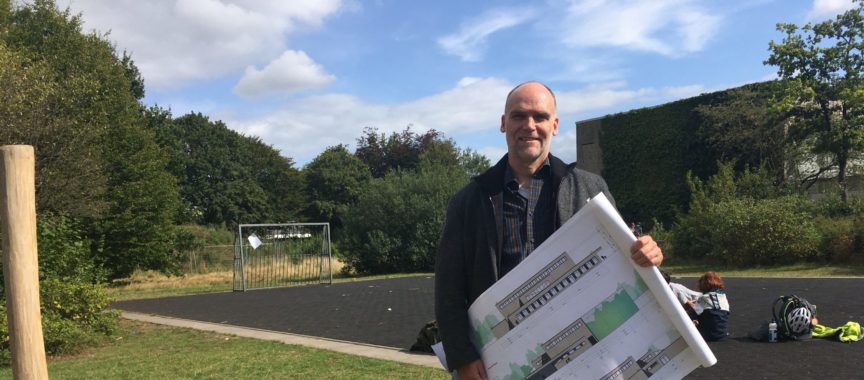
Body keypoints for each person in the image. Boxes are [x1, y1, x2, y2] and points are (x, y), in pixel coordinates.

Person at [434, 81, 664, 380]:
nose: (529, 125)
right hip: (497, 362)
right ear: (504, 123)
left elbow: (621, 262)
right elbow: (448, 289)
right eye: (518, 116)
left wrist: (648, 255)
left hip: (580, 353)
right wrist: (462, 357)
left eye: (540, 117)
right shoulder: (469, 201)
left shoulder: (590, 189)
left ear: (554, 125)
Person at [691, 271, 730, 341]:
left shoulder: (703, 298)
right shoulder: (724, 297)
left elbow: (694, 312)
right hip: (722, 335)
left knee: (691, 314)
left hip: (707, 336)